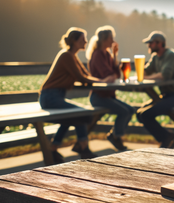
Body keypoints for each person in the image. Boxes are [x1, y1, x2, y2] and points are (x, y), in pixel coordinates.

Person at [39, 27, 115, 164]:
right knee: (82, 114)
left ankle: (54, 148)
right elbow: (82, 78)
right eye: (83, 39)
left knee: (73, 117)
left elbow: (85, 75)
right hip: (50, 97)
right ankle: (83, 149)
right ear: (74, 41)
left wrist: (97, 80)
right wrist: (102, 81)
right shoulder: (66, 56)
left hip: (55, 96)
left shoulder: (71, 56)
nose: (86, 41)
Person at [86, 25, 135, 151]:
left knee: (130, 110)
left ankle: (115, 135)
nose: (113, 41)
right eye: (111, 38)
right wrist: (112, 74)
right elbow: (107, 75)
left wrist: (115, 54)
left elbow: (116, 75)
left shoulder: (107, 54)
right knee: (124, 111)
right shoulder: (97, 55)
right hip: (99, 97)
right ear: (104, 40)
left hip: (107, 96)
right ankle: (116, 137)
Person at [136, 31, 174, 148]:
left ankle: (167, 138)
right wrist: (140, 72)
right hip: (166, 95)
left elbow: (165, 75)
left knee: (145, 115)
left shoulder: (170, 55)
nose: (148, 45)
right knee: (139, 113)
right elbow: (146, 71)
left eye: (151, 43)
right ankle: (166, 137)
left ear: (160, 44)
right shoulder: (155, 57)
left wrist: (146, 77)